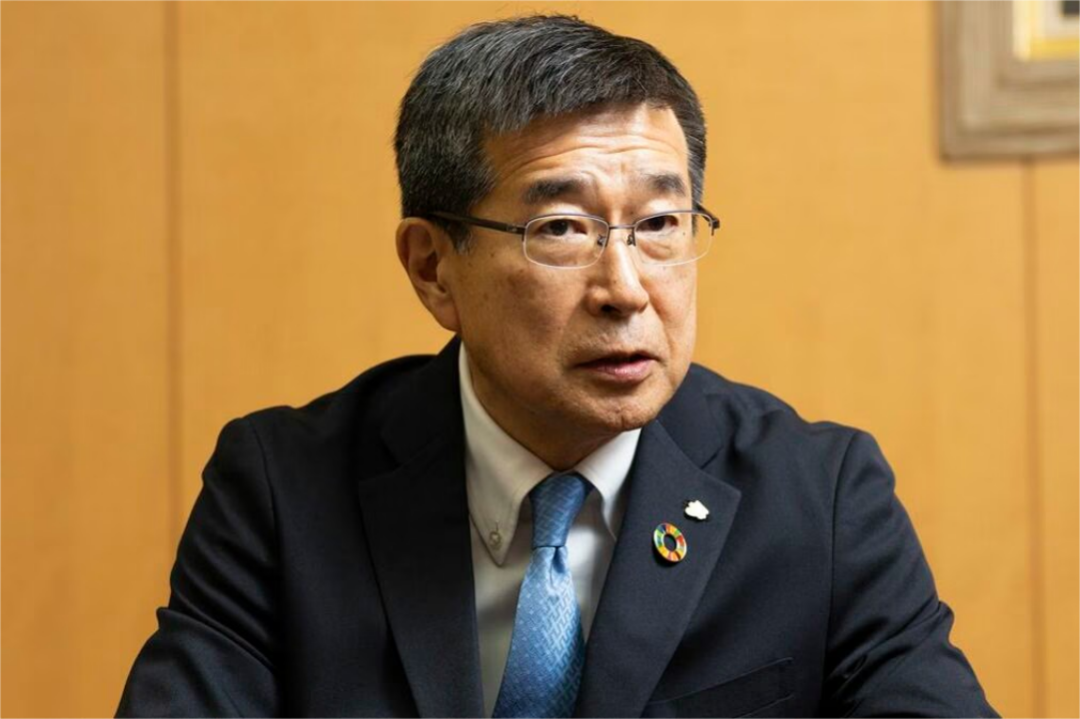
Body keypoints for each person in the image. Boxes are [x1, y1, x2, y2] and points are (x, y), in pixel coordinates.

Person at [117, 15, 999, 718]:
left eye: (660, 225)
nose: (626, 289)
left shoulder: (820, 496)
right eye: (563, 229)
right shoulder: (282, 492)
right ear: (433, 268)